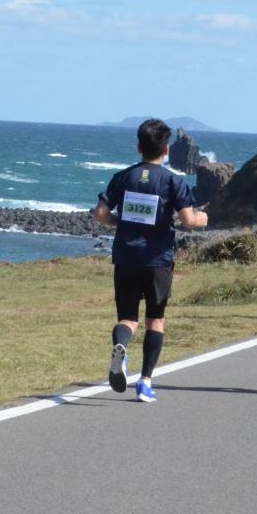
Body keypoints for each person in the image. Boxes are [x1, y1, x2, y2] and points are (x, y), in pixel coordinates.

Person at [93, 118, 209, 403]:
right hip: (158, 260)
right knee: (155, 319)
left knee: (127, 319)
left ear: (138, 148)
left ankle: (121, 344)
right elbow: (187, 220)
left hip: (125, 258)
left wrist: (119, 221)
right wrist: (202, 219)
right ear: (166, 150)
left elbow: (100, 214)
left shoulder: (123, 177)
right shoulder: (172, 180)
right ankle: (145, 382)